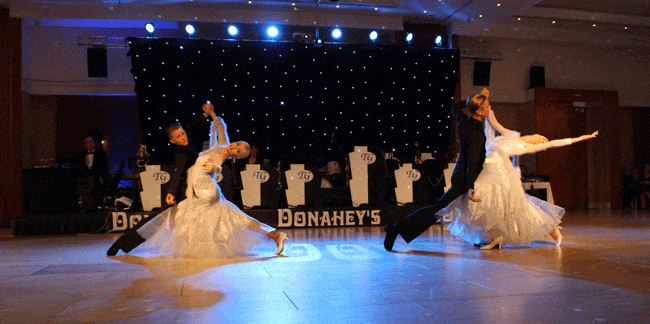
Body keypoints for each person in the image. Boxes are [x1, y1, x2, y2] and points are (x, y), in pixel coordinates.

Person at [108, 103, 288, 257]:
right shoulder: (215, 146)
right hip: (192, 191)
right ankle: (275, 235)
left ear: (237, 156)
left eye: (238, 150)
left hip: (205, 192)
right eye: (237, 144)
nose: (234, 147)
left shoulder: (217, 154)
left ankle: (274, 235)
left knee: (228, 218)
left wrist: (215, 168)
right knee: (233, 217)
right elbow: (217, 127)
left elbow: (216, 165)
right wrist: (211, 114)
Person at [438, 111, 598, 249]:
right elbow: (492, 125)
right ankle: (494, 237)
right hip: (486, 171)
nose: (540, 140)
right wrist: (488, 107)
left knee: (518, 208)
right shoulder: (511, 135)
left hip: (499, 173)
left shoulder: (526, 147)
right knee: (485, 204)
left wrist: (581, 138)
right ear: (535, 134)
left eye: (542, 141)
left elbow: (554, 144)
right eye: (540, 138)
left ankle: (552, 232)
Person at [383, 88, 491, 251]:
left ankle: (479, 238)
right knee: (438, 209)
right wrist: (470, 186)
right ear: (479, 111)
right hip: (465, 178)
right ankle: (396, 228)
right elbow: (473, 161)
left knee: (462, 209)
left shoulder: (465, 121)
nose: (490, 107)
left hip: (462, 174)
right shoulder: (474, 132)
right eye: (487, 105)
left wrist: (472, 101)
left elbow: (455, 107)